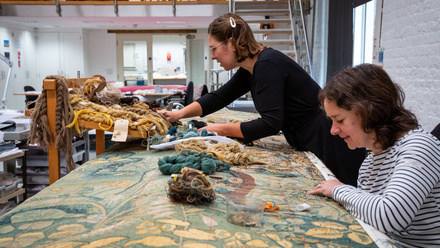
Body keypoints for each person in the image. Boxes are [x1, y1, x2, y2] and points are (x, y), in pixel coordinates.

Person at [158, 13, 366, 186]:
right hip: (311, 138)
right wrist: (178, 114)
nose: (212, 56)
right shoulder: (251, 67)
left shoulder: (267, 65)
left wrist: (219, 129)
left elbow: (270, 123)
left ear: (230, 43)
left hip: (329, 141)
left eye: (214, 49)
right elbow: (219, 97)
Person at [308, 64, 440, 247]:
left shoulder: (419, 146)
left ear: (369, 111)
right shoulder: (371, 161)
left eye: (340, 120)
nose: (333, 130)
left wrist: (337, 189)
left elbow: (391, 215)